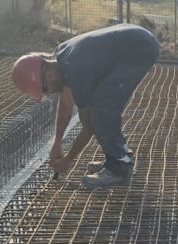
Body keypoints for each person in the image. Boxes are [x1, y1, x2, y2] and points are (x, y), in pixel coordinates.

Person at [11, 24, 160, 188]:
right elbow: (65, 108)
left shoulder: (76, 69)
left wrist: (68, 159)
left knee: (101, 107)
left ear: (49, 75)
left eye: (45, 89)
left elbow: (88, 126)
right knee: (103, 104)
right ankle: (119, 154)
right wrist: (57, 143)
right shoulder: (64, 56)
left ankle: (118, 168)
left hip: (139, 48)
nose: (48, 94)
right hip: (136, 41)